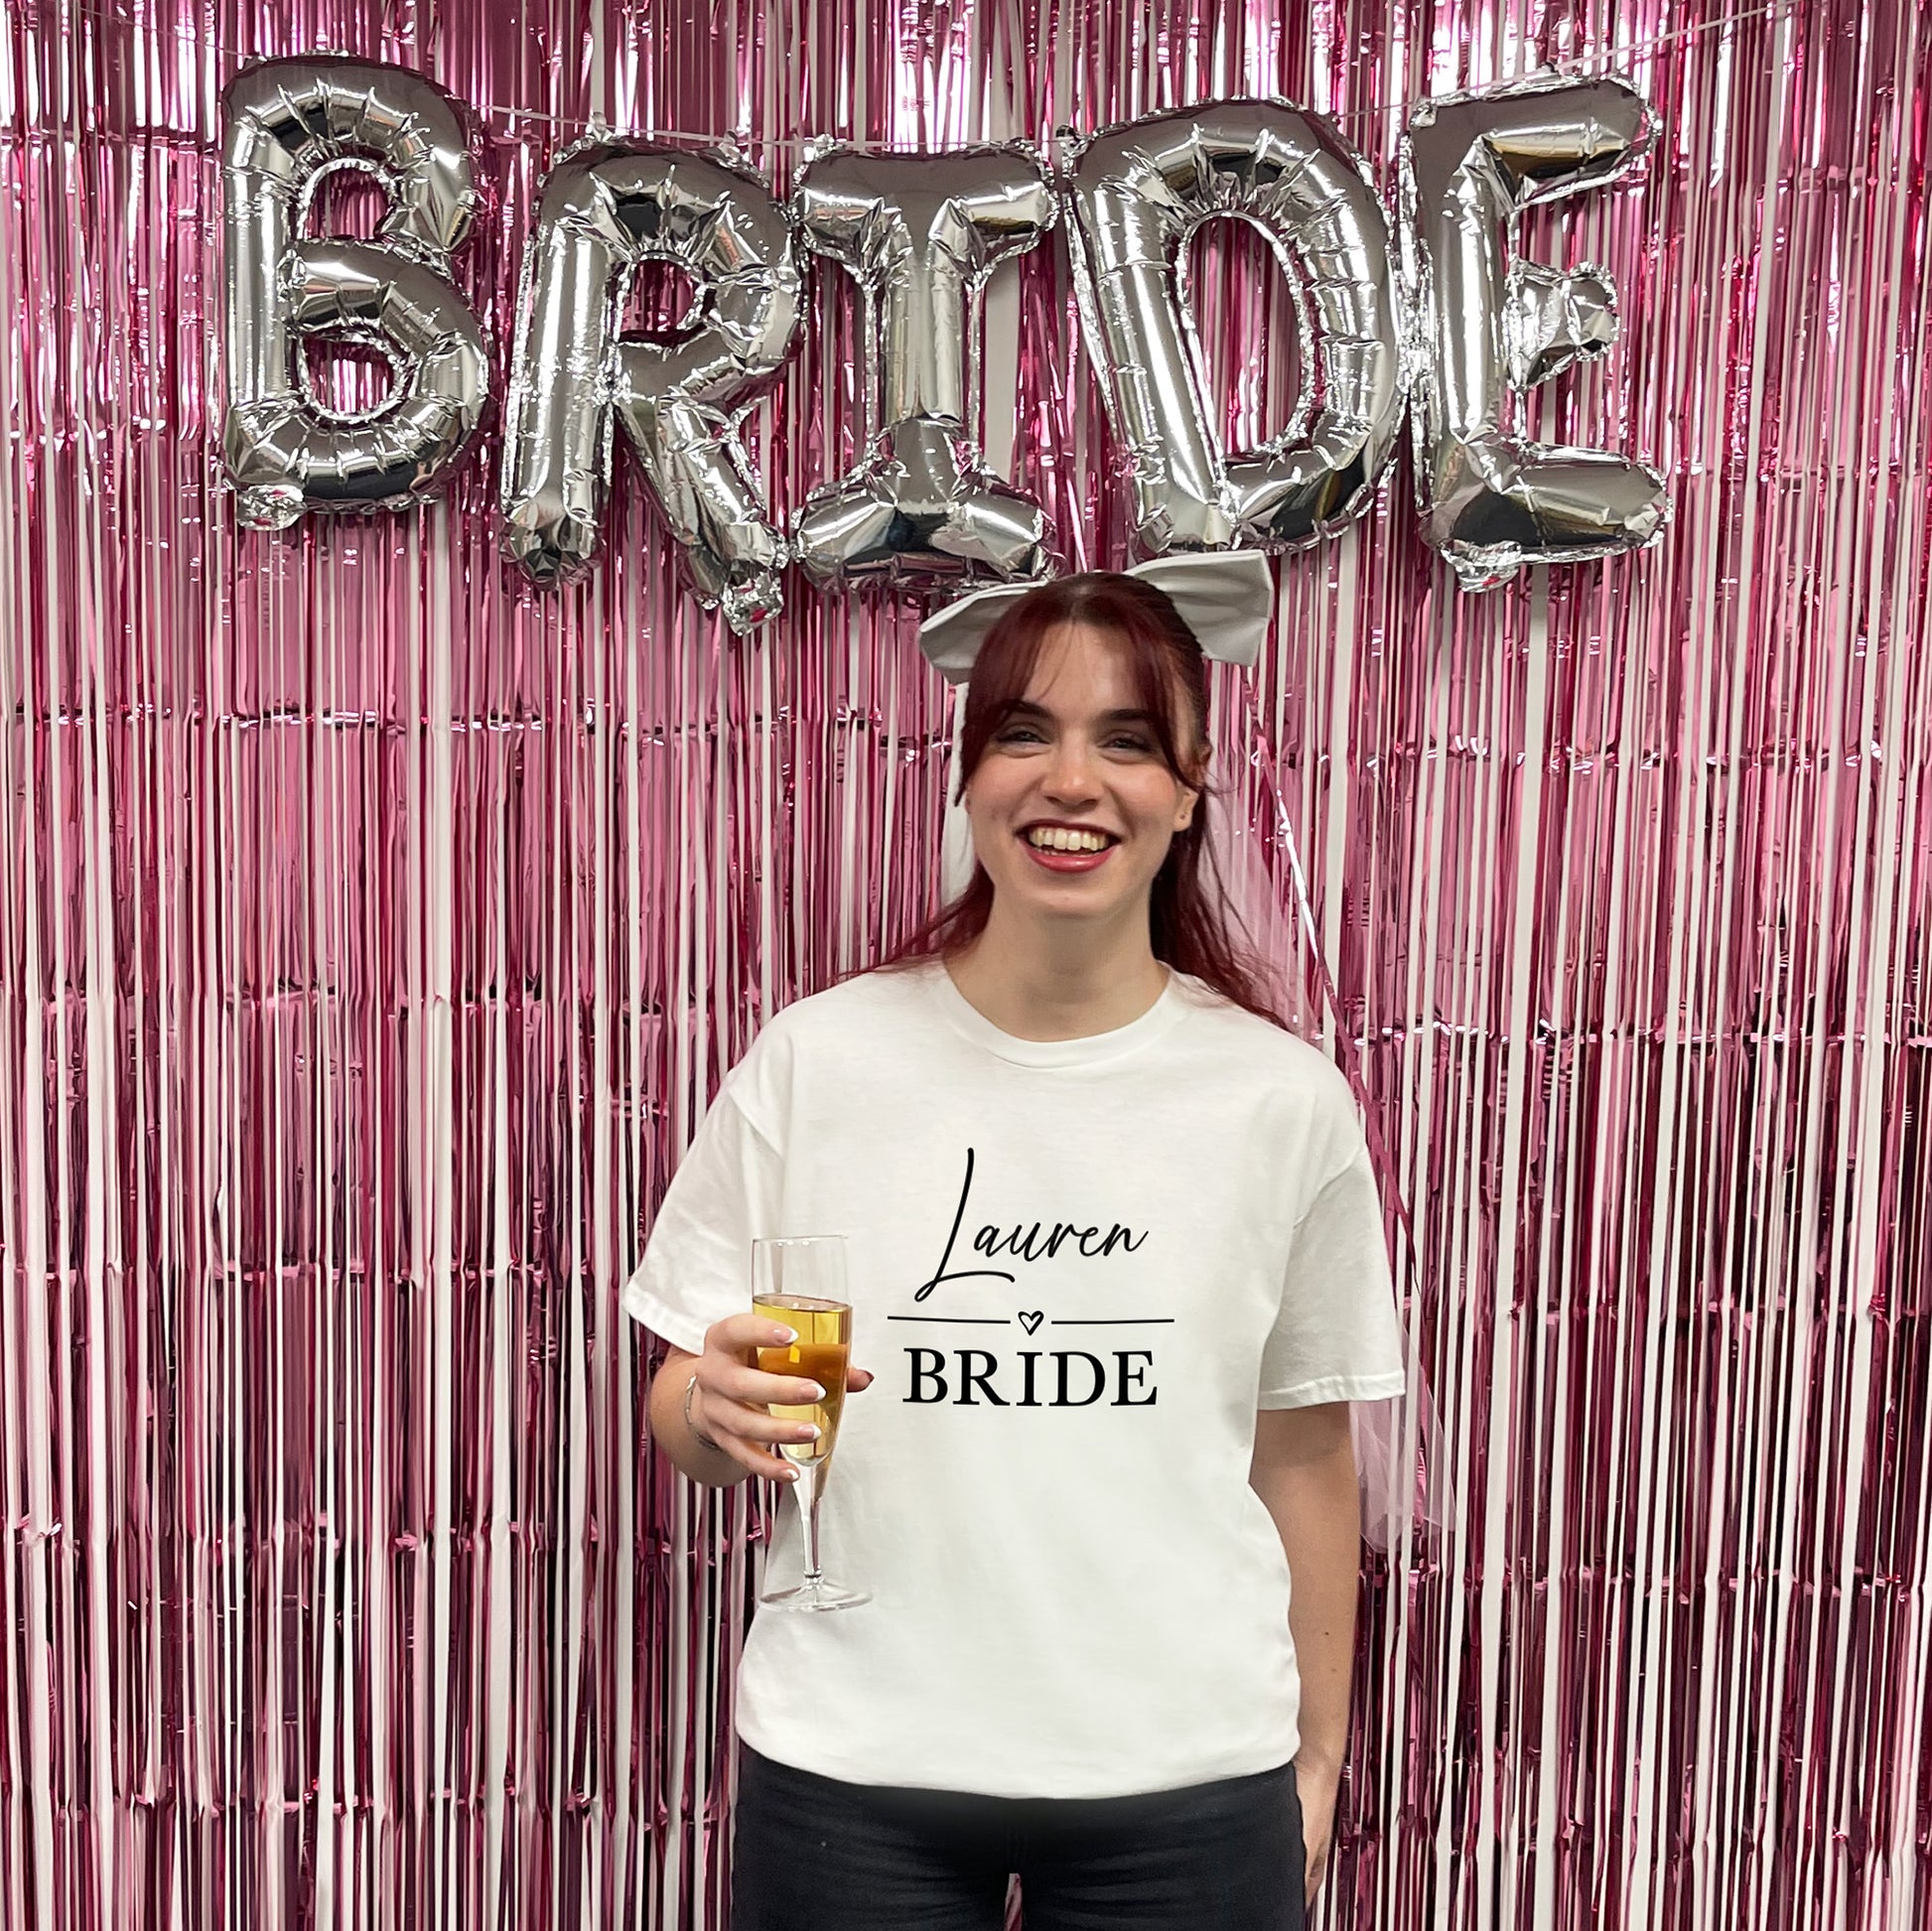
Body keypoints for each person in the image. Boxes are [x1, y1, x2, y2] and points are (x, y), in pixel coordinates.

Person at [625, 556, 1407, 1931]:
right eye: (1024, 733)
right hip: (852, 1764)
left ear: (1187, 785)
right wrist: (712, 1404)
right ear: (967, 772)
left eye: (1125, 740)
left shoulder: (1277, 1099)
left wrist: (1318, 1756)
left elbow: (1301, 1446)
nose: (1071, 781)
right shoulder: (821, 1060)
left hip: (1185, 1775)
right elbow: (686, 1399)